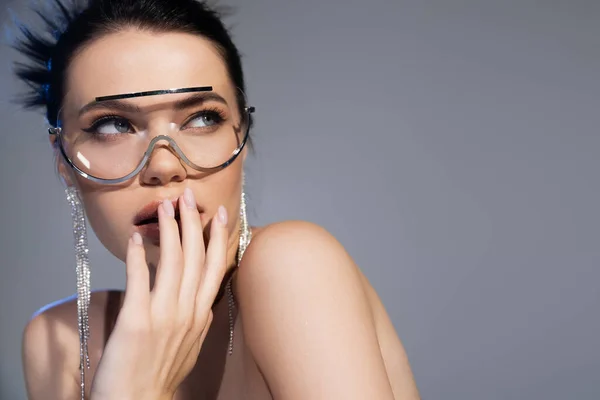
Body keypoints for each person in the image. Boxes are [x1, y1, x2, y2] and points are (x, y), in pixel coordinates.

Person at [12, 0, 421, 399]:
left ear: (242, 134)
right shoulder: (60, 342)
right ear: (62, 159)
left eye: (203, 118)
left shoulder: (292, 265)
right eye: (112, 125)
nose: (164, 164)